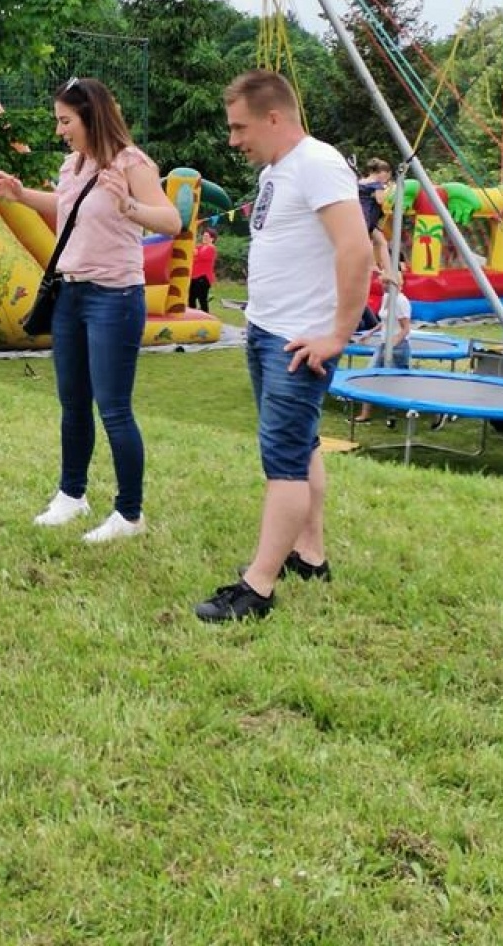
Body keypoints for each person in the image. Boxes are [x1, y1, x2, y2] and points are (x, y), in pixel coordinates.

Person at [195, 70, 371, 622]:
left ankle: (258, 587)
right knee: (304, 444)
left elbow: (357, 248)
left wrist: (337, 335)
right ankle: (309, 554)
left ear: (275, 118)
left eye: (239, 126)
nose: (233, 139)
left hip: (299, 342)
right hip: (269, 331)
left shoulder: (318, 163)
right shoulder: (282, 169)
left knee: (284, 465)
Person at [0, 77, 182, 543]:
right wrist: (21, 196)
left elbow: (172, 221)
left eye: (65, 121)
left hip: (113, 298)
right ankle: (72, 495)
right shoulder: (73, 163)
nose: (60, 130)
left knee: (113, 408)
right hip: (70, 296)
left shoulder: (132, 163)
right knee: (72, 403)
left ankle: (129, 514)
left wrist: (130, 205)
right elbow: (67, 207)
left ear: (91, 117)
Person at [353, 272, 412, 423]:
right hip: (384, 344)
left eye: (387, 283)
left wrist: (394, 341)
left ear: (397, 284)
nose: (383, 286)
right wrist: (370, 333)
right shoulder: (386, 297)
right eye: (383, 282)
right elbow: (384, 321)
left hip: (398, 347)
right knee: (369, 374)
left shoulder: (401, 301)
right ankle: (365, 413)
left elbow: (406, 328)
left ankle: (397, 412)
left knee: (398, 381)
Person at [190, 228, 216, 313]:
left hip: (203, 278)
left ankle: (206, 317)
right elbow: (192, 252)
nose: (204, 237)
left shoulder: (211, 249)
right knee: (191, 298)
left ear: (212, 238)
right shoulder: (200, 247)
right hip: (194, 277)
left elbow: (200, 255)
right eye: (204, 236)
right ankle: (192, 316)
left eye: (207, 236)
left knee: (202, 299)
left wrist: (195, 253)